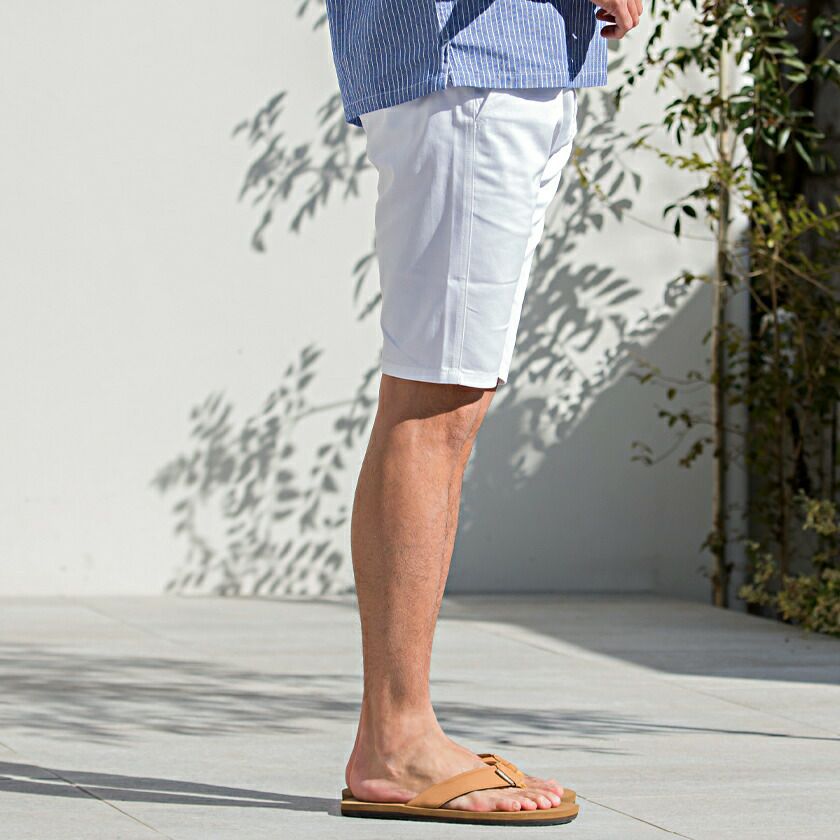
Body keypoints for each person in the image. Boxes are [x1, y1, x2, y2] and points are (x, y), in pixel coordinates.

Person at [323, 0, 642, 826]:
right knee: (435, 398)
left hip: (527, 60)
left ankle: (397, 731)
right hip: (465, 66)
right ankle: (396, 741)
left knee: (450, 400)